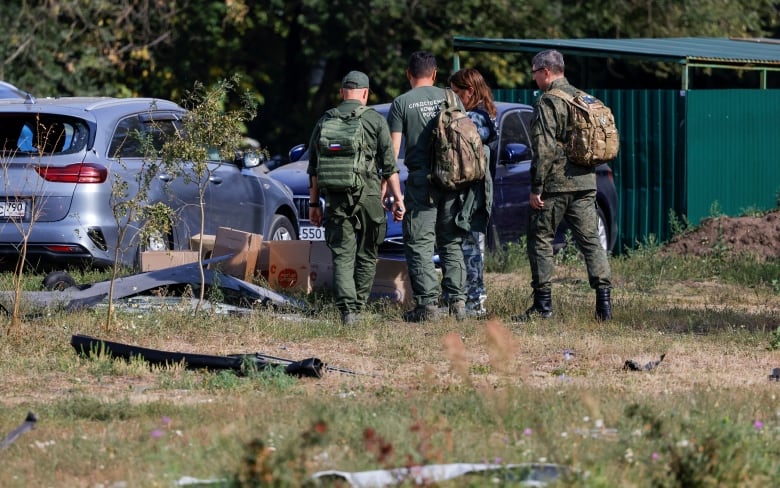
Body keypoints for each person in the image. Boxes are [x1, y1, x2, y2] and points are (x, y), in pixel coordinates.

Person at [514, 49, 613, 322]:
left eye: (534, 73)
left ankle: (543, 307)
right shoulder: (583, 98)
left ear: (546, 71)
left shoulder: (549, 102)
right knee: (591, 242)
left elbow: (543, 149)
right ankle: (604, 307)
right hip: (585, 183)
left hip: (556, 185)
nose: (533, 79)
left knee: (541, 240)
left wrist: (536, 188)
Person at [308, 70, 405, 325]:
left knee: (342, 254)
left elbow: (314, 170)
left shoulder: (325, 120)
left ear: (342, 93)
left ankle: (347, 312)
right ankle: (359, 306)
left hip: (336, 198)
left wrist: (314, 204)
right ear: (365, 93)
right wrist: (398, 199)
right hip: (369, 195)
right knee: (368, 250)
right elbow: (389, 167)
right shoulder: (375, 121)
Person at [387, 51, 469, 322]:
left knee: (419, 243)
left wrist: (389, 191)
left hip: (422, 183)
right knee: (451, 241)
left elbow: (393, 153)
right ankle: (458, 304)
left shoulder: (401, 104)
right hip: (454, 180)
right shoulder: (452, 98)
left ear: (408, 74)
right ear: (434, 74)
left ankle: (427, 307)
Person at [449, 68, 497, 317]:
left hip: (472, 193)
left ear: (470, 91)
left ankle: (474, 302)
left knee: (470, 248)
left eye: (458, 92)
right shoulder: (482, 114)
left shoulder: (476, 119)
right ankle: (469, 300)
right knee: (469, 246)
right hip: (474, 191)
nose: (455, 97)